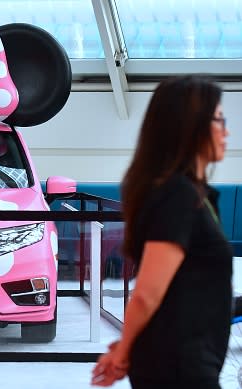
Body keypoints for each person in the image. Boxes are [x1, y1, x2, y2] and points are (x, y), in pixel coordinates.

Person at [91, 75, 233, 389]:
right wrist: (124, 353)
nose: (227, 132)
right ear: (191, 127)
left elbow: (181, 290)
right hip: (178, 367)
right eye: (219, 121)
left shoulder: (197, 195)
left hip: (184, 360)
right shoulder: (177, 195)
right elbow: (147, 294)